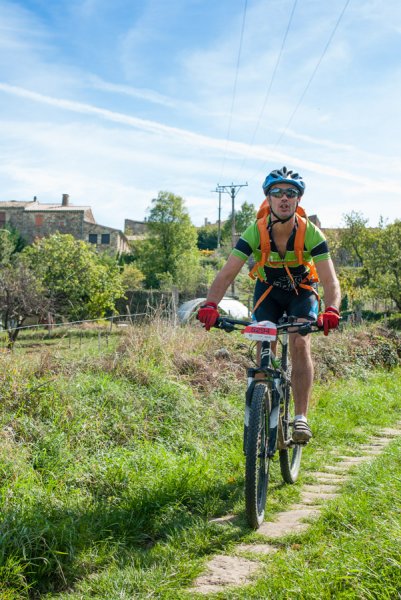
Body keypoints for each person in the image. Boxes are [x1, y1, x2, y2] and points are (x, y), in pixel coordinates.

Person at [197, 166, 341, 443]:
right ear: (268, 199)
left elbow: (330, 281)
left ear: (298, 200)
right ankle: (267, 397)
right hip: (268, 293)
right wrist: (210, 305)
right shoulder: (255, 232)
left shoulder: (312, 234)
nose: (284, 198)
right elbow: (226, 273)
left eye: (291, 193)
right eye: (277, 193)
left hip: (302, 292)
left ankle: (300, 418)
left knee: (299, 341)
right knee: (265, 343)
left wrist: (331, 309)